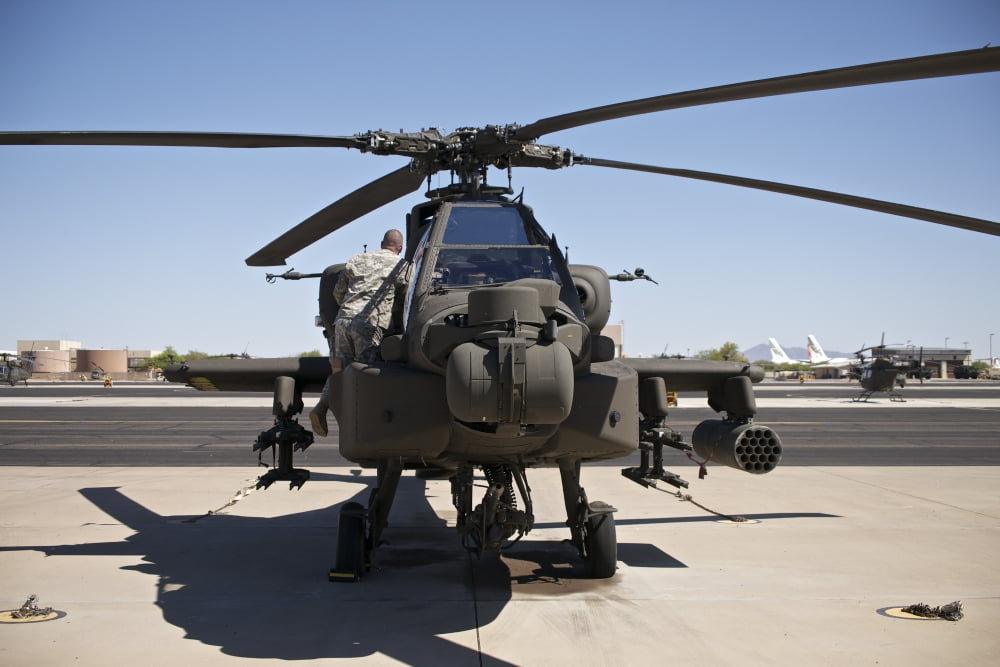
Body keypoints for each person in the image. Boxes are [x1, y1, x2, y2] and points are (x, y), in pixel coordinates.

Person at [310, 229, 409, 436]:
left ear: (382, 243)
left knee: (339, 370)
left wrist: (348, 309)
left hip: (343, 320)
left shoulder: (357, 259)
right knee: (365, 375)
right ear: (400, 248)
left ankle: (322, 407)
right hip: (369, 323)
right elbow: (405, 297)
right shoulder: (401, 265)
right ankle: (365, 427)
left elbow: (338, 292)